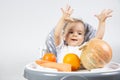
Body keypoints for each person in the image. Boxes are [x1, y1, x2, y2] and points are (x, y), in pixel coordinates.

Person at [45, 5, 112, 63]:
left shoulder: (84, 48)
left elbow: (98, 39)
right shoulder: (61, 47)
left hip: (81, 74)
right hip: (62, 74)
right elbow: (56, 35)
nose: (75, 35)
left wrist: (102, 22)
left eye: (79, 33)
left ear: (83, 38)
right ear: (64, 36)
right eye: (71, 32)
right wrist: (63, 19)